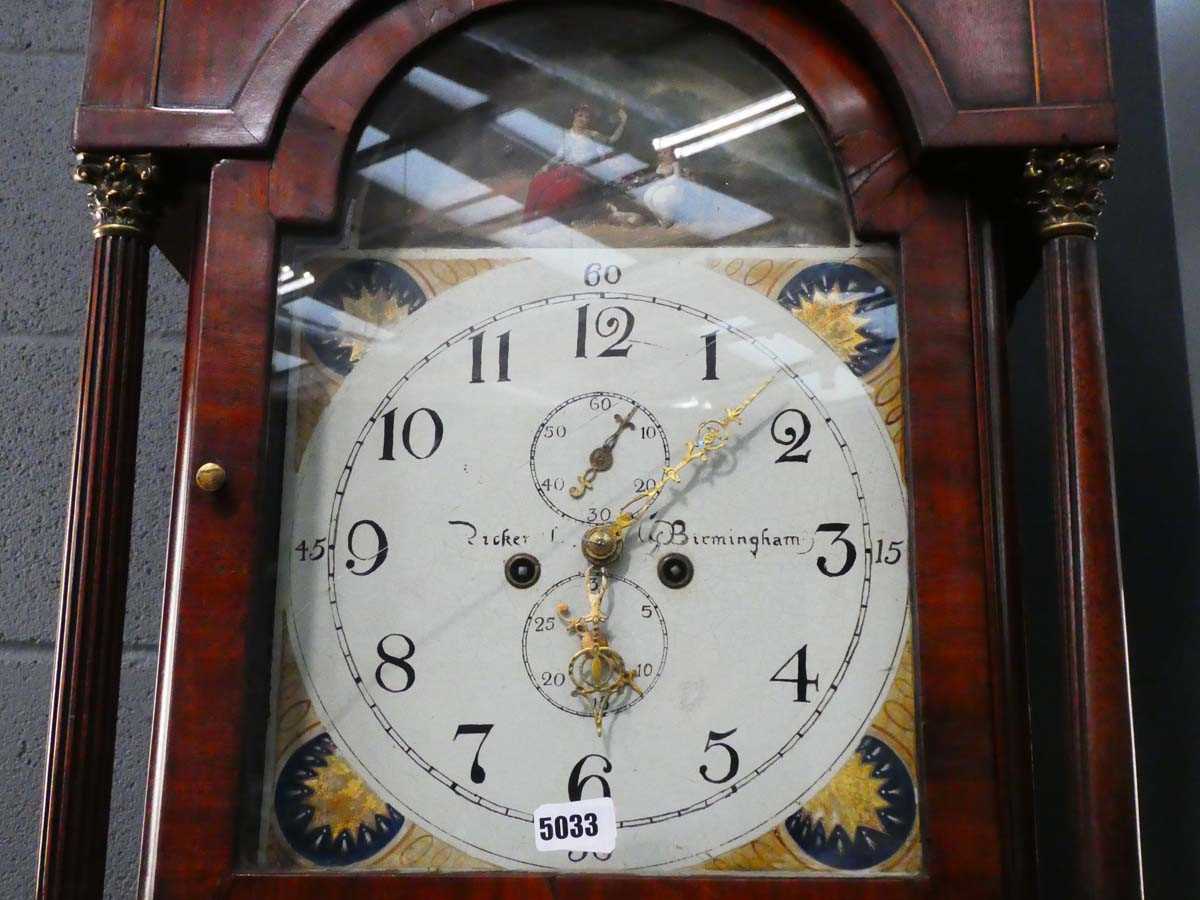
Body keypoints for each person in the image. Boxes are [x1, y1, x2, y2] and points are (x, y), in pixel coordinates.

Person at [524, 103, 628, 222]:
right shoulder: (566, 134)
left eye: (586, 117)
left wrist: (623, 122)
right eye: (580, 115)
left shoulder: (592, 134)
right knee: (537, 182)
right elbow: (560, 155)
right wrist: (545, 167)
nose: (583, 119)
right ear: (574, 116)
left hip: (582, 172)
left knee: (555, 190)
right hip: (565, 169)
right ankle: (529, 218)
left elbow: (612, 140)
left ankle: (543, 219)